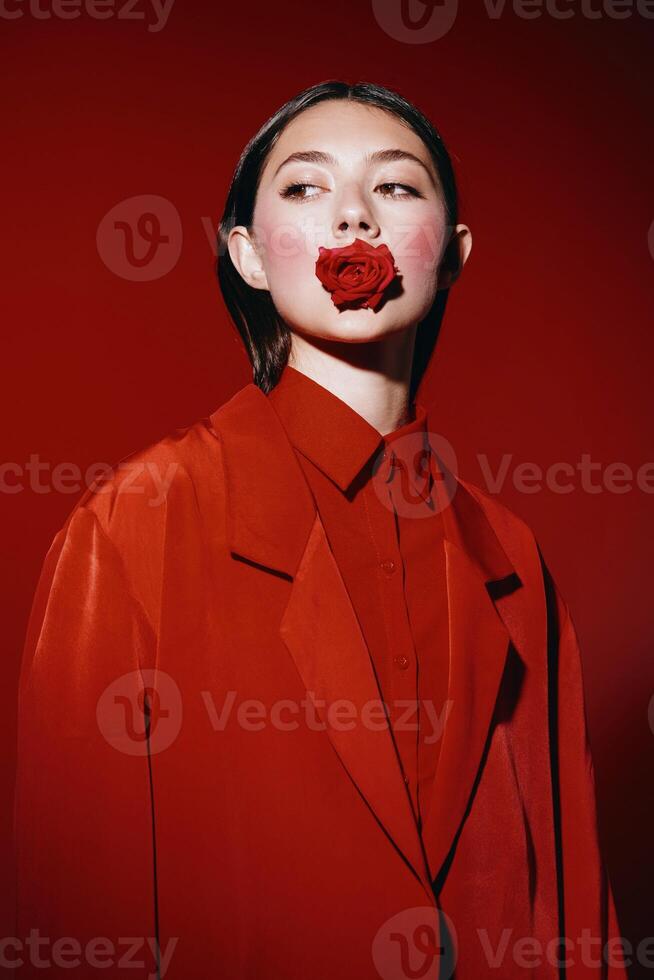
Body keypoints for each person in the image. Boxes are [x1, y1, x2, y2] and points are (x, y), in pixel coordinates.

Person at [14, 80, 628, 979]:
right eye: (305, 188)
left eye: (397, 187)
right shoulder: (136, 524)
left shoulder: (515, 564)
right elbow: (71, 922)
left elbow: (576, 928)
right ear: (250, 257)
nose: (353, 217)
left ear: (451, 255)